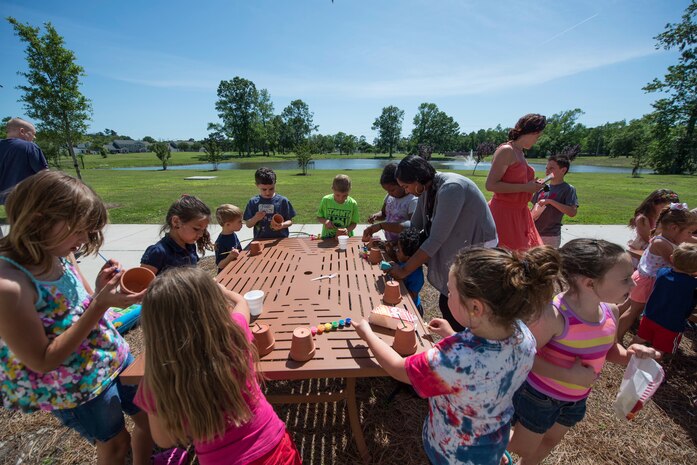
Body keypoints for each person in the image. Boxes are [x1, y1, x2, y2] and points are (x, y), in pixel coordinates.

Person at [353, 246, 562, 465]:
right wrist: (452, 334)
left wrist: (368, 334)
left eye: (451, 291)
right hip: (494, 440)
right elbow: (484, 364)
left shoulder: (452, 357)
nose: (448, 294)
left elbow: (398, 367)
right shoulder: (524, 336)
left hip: (452, 452)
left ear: (475, 308)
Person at [0, 171, 151, 464]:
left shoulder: (58, 252)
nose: (83, 241)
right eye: (78, 231)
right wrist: (100, 305)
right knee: (116, 443)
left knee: (149, 415)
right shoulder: (10, 285)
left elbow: (84, 303)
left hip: (112, 357)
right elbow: (42, 360)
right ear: (39, 220)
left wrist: (100, 291)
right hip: (76, 385)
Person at [507, 239, 661, 465]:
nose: (634, 284)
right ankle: (476, 439)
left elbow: (609, 351)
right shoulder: (554, 316)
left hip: (576, 398)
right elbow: (520, 357)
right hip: (538, 396)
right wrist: (567, 375)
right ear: (590, 283)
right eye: (626, 279)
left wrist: (630, 355)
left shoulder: (611, 312)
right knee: (522, 446)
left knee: (549, 441)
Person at [134, 267, 302, 465]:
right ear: (212, 305)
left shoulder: (157, 380)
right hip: (275, 447)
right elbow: (242, 303)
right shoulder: (234, 334)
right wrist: (223, 291)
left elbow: (164, 439)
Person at [363, 155, 498, 332]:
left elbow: (435, 239)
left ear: (417, 180)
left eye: (406, 186)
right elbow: (414, 225)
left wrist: (404, 270)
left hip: (478, 252)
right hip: (461, 247)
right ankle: (459, 340)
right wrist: (380, 226)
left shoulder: (451, 188)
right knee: (449, 302)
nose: (407, 191)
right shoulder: (426, 190)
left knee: (464, 304)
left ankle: (468, 341)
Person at [617, 204, 697, 341]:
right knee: (633, 311)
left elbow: (691, 240)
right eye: (689, 232)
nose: (691, 236)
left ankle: (605, 320)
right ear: (674, 228)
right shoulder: (662, 243)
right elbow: (679, 264)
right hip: (647, 282)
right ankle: (616, 339)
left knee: (628, 305)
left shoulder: (668, 237)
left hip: (644, 279)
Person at [486, 113, 547, 251]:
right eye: (537, 136)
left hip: (520, 212)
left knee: (525, 257)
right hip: (504, 213)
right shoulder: (507, 150)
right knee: (510, 259)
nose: (537, 140)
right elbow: (491, 185)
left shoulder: (520, 152)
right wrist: (526, 187)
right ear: (531, 132)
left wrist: (533, 185)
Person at [633, 243, 697, 355]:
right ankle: (652, 367)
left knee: (640, 338)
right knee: (659, 349)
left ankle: (629, 354)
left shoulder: (662, 272)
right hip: (672, 324)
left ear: (671, 258)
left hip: (650, 316)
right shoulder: (693, 284)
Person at [141, 195, 213, 275]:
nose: (200, 234)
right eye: (196, 229)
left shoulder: (190, 247)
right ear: (176, 222)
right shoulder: (157, 253)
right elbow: (141, 284)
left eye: (203, 229)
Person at [531, 154, 578, 248]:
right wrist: (531, 187)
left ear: (563, 170)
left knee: (548, 262)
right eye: (546, 168)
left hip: (551, 235)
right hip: (534, 232)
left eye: (551, 168)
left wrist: (550, 201)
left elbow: (572, 212)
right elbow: (533, 207)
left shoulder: (568, 189)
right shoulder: (543, 187)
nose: (547, 171)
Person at [0, 117, 49, 204]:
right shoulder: (30, 147)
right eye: (33, 134)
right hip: (23, 199)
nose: (34, 137)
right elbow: (44, 175)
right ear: (22, 131)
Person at [367, 163, 417, 244]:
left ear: (402, 184)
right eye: (387, 191)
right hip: (390, 242)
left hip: (404, 246)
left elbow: (412, 227)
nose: (389, 193)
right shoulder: (390, 197)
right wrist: (376, 216)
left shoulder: (412, 200)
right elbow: (384, 213)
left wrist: (382, 226)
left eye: (392, 190)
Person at [244, 167, 296, 239]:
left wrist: (282, 225)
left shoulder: (283, 201)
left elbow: (290, 221)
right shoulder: (253, 202)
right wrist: (256, 218)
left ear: (275, 183)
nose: (268, 192)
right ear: (257, 185)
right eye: (264, 189)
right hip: (260, 240)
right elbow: (248, 224)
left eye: (271, 188)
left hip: (280, 239)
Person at [627, 189, 679, 254]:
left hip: (662, 246)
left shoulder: (668, 218)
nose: (668, 210)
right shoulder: (642, 219)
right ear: (653, 204)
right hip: (643, 250)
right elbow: (649, 239)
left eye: (671, 208)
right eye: (664, 207)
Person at [391, 227, 425, 315]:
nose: (396, 251)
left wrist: (398, 282)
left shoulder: (417, 275)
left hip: (411, 309)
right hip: (400, 303)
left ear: (409, 257)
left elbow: (412, 295)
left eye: (398, 249)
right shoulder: (403, 260)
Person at [316, 174, 359, 239]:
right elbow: (319, 217)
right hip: (327, 237)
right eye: (337, 195)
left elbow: (354, 223)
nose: (340, 199)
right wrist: (325, 221)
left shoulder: (353, 204)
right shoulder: (326, 200)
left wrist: (347, 230)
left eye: (345, 196)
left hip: (345, 238)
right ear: (332, 189)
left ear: (350, 190)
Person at [214, 204, 243, 273]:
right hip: (226, 275)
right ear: (228, 224)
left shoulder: (233, 234)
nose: (242, 223)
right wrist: (230, 256)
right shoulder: (220, 242)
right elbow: (220, 265)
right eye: (239, 221)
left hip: (235, 271)